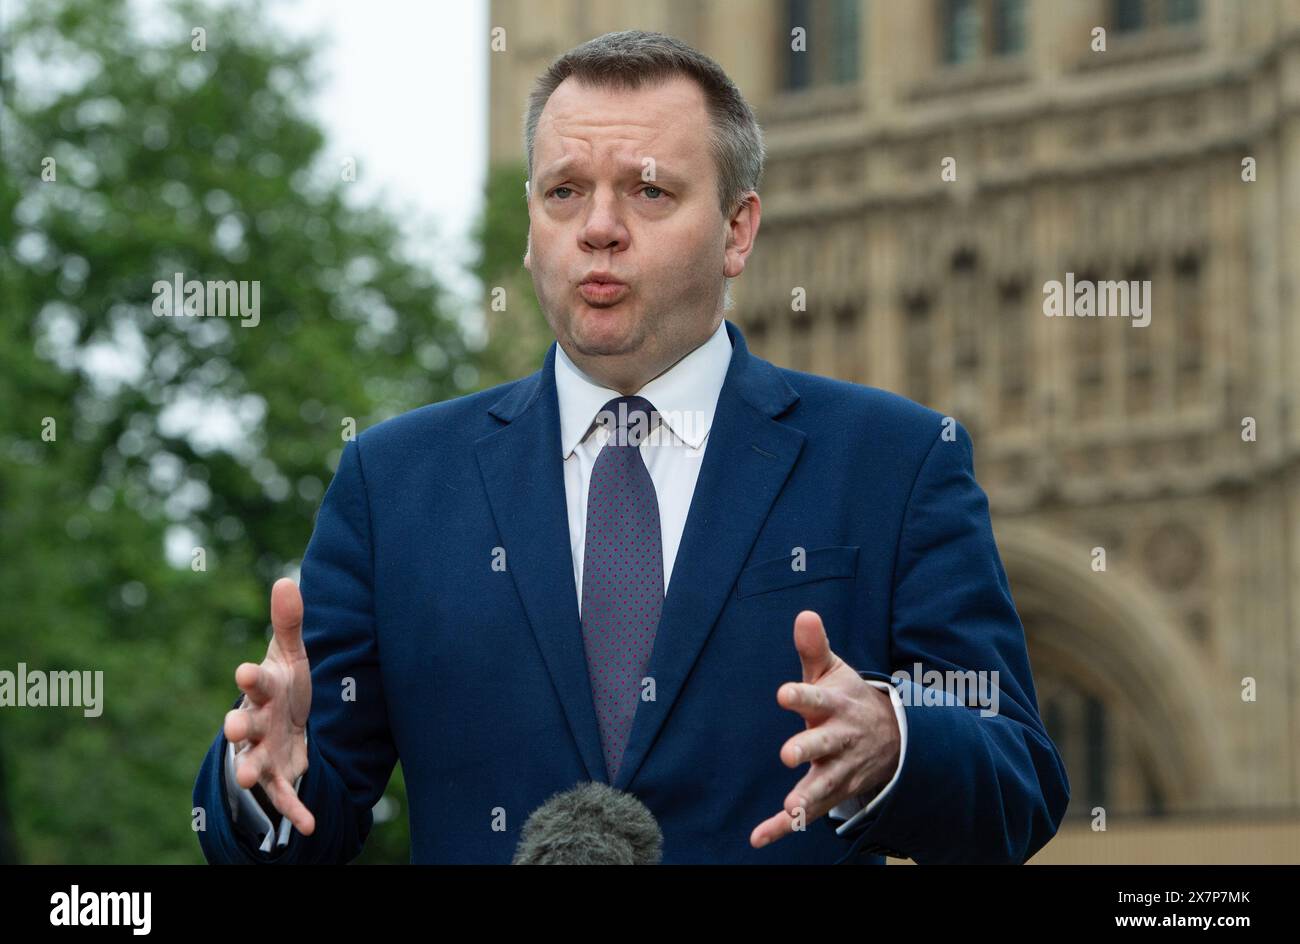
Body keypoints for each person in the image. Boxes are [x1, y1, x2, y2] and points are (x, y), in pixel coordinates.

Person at [193, 29, 1069, 864]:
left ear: (737, 230)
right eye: (563, 192)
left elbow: (1018, 785)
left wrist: (897, 740)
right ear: (531, 227)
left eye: (649, 190)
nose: (599, 227)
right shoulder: (393, 485)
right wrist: (266, 775)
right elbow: (306, 818)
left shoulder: (895, 464)